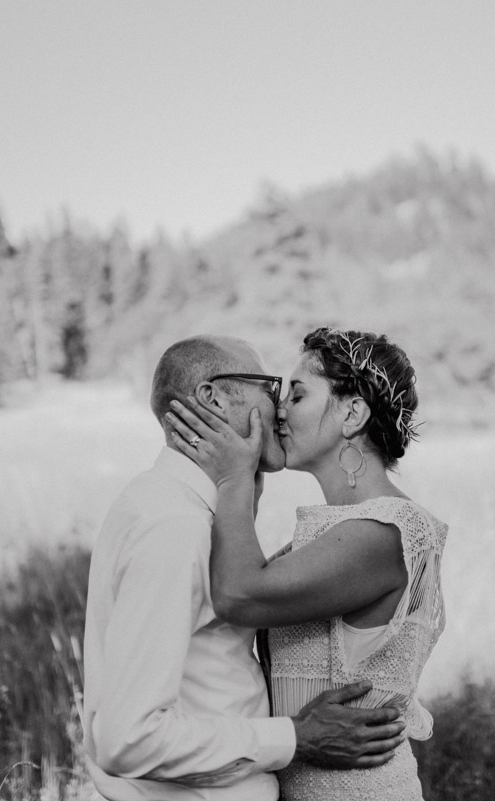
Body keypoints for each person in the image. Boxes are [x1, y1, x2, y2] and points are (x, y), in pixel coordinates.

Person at [82, 335, 408, 801]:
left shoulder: (188, 511)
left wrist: (243, 488)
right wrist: (295, 737)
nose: (279, 407)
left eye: (293, 394)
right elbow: (127, 737)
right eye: (269, 386)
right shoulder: (174, 523)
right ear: (212, 399)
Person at [164, 327, 447, 801]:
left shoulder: (382, 533)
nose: (278, 410)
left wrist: (234, 476)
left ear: (352, 412)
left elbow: (238, 595)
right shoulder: (340, 530)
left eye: (296, 395)